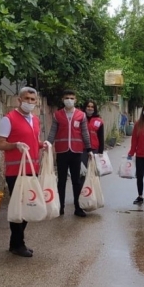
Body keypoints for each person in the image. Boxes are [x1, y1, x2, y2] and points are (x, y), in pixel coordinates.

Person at [0, 86, 49, 257]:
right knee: (18, 208)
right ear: (19, 100)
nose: (30, 102)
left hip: (32, 170)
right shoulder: (8, 119)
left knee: (27, 207)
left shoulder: (35, 120)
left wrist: (42, 144)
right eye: (27, 99)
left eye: (33, 99)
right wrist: (15, 145)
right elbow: (0, 144)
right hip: (15, 172)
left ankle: (16, 243)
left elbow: (33, 141)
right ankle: (18, 244)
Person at [47, 89, 93, 218]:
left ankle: (78, 207)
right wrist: (48, 144)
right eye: (67, 98)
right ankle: (60, 207)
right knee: (61, 181)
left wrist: (89, 149)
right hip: (62, 151)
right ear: (63, 100)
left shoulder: (81, 115)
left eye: (72, 98)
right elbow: (53, 131)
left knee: (76, 181)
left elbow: (85, 133)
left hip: (76, 152)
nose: (69, 100)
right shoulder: (57, 115)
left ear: (75, 100)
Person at [82, 100, 104, 168]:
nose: (90, 108)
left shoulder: (99, 120)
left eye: (92, 107)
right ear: (85, 107)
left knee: (93, 170)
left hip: (95, 149)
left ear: (94, 108)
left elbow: (101, 137)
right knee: (83, 170)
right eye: (88, 106)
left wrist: (101, 151)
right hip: (82, 149)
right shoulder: (80, 118)